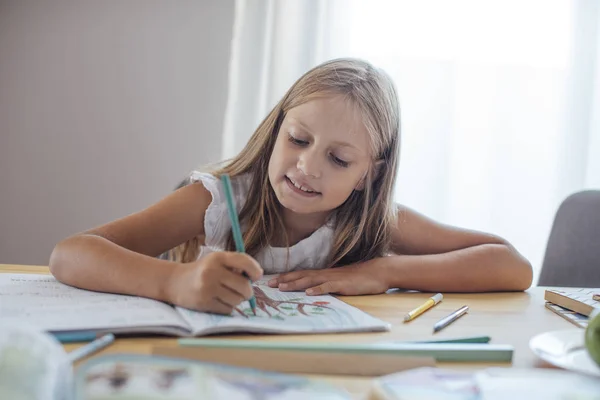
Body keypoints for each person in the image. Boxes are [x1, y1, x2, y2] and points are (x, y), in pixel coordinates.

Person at [49, 58, 533, 315]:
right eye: (298, 139)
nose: (307, 166)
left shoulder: (371, 224)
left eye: (339, 159)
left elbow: (512, 266)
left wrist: (383, 271)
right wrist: (174, 282)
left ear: (369, 174)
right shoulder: (219, 200)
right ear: (276, 128)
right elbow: (70, 254)